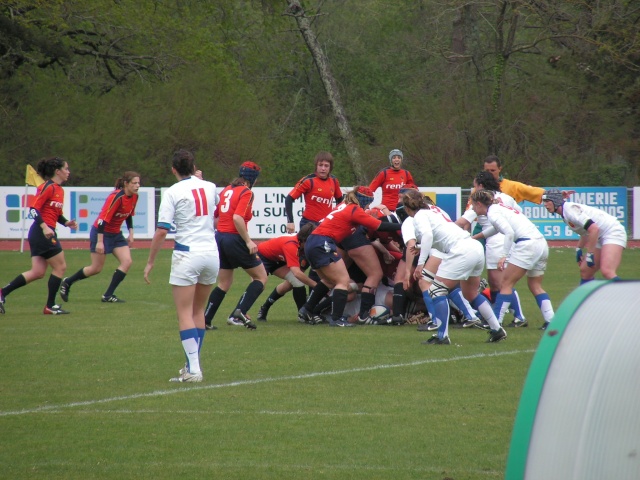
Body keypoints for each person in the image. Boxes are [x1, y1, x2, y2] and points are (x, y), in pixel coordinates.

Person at [143, 149, 219, 383]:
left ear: (173, 169)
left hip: (188, 254)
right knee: (199, 312)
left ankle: (194, 370)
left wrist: (150, 261)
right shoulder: (210, 186)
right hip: (211, 253)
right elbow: (214, 214)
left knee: (185, 313)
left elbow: (162, 229)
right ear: (194, 166)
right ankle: (191, 366)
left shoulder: (173, 192)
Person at [401, 189, 506, 344]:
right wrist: (420, 246)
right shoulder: (433, 211)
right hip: (474, 247)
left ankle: (442, 336)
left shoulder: (418, 216)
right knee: (470, 293)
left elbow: (429, 235)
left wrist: (420, 264)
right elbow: (439, 234)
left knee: (436, 291)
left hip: (460, 250)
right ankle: (497, 329)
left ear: (407, 208)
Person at [297, 186, 402, 327]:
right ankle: (340, 318)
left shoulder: (343, 205)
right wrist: (402, 226)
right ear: (364, 200)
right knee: (345, 280)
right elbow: (378, 226)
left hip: (313, 241)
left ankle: (307, 309)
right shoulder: (354, 210)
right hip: (323, 242)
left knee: (329, 280)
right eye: (367, 203)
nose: (368, 206)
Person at [0, 157, 78, 315]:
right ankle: (50, 306)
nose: (68, 172)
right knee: (60, 266)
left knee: (37, 272)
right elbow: (34, 210)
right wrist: (44, 227)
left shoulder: (59, 190)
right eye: (66, 169)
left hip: (44, 232)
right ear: (58, 171)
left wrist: (66, 222)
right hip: (42, 232)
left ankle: (2, 293)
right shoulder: (47, 187)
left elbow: (55, 213)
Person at [470, 190, 555, 330]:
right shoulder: (499, 208)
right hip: (541, 243)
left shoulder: (493, 212)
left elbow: (509, 232)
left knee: (505, 284)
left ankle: (496, 324)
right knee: (535, 285)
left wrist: (504, 255)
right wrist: (475, 237)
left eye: (473, 205)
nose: (472, 208)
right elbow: (496, 229)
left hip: (527, 245)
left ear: (479, 204)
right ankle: (551, 320)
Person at [456, 171, 527, 327]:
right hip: (504, 238)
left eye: (475, 186)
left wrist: (446, 229)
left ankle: (516, 316)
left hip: (497, 241)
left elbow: (462, 221)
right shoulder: (505, 197)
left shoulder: (480, 200)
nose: (474, 190)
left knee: (500, 282)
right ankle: (498, 316)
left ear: (481, 186)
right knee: (497, 282)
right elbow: (519, 214)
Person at [60, 172, 140, 303]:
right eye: (134, 183)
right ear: (126, 184)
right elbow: (102, 220)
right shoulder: (116, 197)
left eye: (138, 183)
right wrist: (100, 242)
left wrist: (131, 233)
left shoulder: (135, 197)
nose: (137, 186)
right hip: (101, 232)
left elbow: (129, 214)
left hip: (116, 234)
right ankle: (68, 282)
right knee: (96, 268)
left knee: (127, 262)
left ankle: (108, 295)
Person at [203, 161, 265, 330]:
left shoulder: (227, 190)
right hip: (234, 238)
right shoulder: (246, 192)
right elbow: (237, 218)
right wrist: (247, 241)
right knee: (261, 277)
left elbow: (215, 218)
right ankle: (239, 313)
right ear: (252, 179)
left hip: (220, 238)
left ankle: (206, 319)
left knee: (224, 283)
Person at [542, 189, 627, 282]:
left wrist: (590, 254)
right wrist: (579, 248)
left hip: (612, 231)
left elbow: (594, 229)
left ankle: (629, 295)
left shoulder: (570, 211)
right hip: (600, 235)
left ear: (556, 201)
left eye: (547, 201)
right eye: (544, 202)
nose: (545, 205)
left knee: (607, 271)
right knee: (586, 271)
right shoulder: (565, 212)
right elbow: (586, 231)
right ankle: (592, 297)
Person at [256, 223, 317, 322]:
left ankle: (302, 314)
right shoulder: (292, 245)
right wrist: (317, 286)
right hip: (264, 256)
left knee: (295, 282)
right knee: (258, 285)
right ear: (305, 240)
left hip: (278, 258)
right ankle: (240, 313)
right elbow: (297, 273)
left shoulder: (303, 246)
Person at [285, 151, 343, 233]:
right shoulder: (308, 181)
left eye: (326, 166)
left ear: (330, 167)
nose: (323, 168)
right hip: (309, 224)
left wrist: (337, 218)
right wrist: (290, 221)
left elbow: (340, 200)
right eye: (320, 165)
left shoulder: (334, 181)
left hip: (326, 224)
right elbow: (289, 199)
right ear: (316, 166)